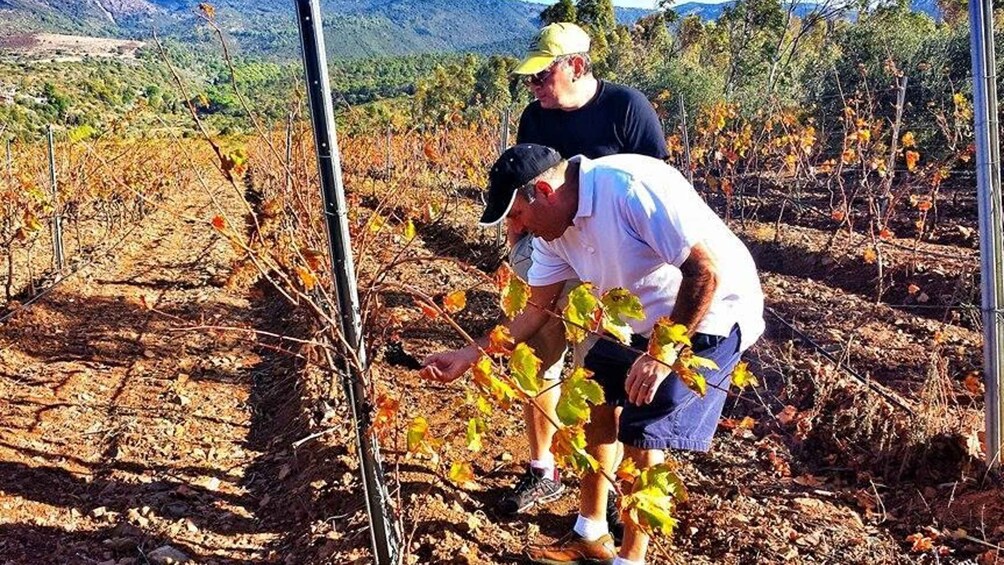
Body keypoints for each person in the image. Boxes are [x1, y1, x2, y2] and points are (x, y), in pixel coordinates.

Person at [421, 143, 764, 565]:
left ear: (544, 192)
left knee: (641, 433)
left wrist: (662, 353)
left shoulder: (627, 190)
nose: (516, 228)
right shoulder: (552, 234)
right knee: (595, 405)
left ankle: (630, 560)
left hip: (707, 312)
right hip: (632, 320)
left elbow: (704, 272)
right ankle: (590, 533)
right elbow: (534, 312)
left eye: (516, 215)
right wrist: (468, 353)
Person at [501, 21, 669, 522]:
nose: (533, 89)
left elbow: (657, 189)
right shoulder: (534, 117)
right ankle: (542, 470)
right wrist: (518, 249)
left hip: (617, 270)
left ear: (576, 66)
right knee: (535, 357)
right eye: (529, 79)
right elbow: (524, 188)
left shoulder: (627, 110)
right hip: (552, 254)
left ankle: (621, 496)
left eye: (541, 77)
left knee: (606, 379)